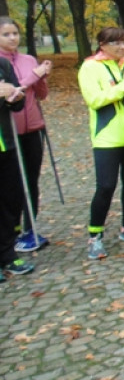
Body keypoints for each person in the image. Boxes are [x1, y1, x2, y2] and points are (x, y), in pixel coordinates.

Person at [79, 27, 124, 260]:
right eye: (116, 44)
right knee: (106, 185)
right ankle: (95, 235)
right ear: (102, 44)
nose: (122, 48)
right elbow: (95, 100)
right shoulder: (90, 67)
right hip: (108, 138)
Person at [0, 17, 52, 252]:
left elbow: (40, 94)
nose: (12, 38)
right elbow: (13, 89)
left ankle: (30, 227)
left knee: (31, 179)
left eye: (15, 33)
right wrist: (34, 75)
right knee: (12, 184)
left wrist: (42, 77)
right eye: (6, 34)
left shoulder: (28, 59)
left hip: (33, 126)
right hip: (9, 130)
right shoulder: (1, 63)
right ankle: (11, 231)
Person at [1, 57, 33, 278]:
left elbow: (18, 103)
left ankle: (7, 254)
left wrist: (15, 97)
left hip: (6, 143)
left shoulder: (3, 64)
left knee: (10, 200)